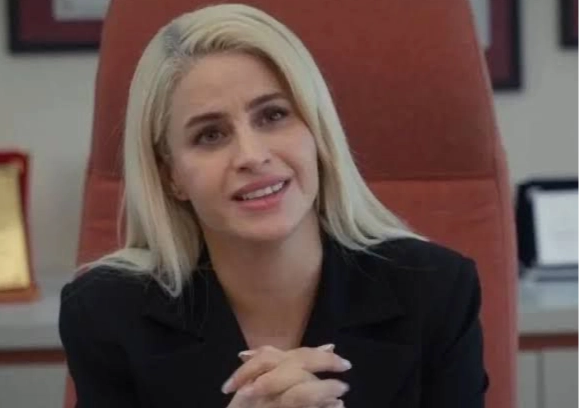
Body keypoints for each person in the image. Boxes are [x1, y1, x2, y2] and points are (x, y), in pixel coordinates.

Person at [59, 3, 488, 408]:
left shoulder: (435, 291)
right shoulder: (106, 313)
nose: (251, 155)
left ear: (316, 130)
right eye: (210, 135)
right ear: (171, 175)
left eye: (273, 115)